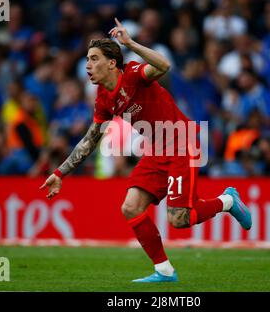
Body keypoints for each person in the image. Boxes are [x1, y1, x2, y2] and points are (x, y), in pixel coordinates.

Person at [40, 18, 252, 283]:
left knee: (179, 219)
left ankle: (228, 201)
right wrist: (60, 173)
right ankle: (164, 271)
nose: (87, 65)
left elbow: (164, 65)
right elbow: (90, 139)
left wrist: (129, 43)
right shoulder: (103, 99)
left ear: (111, 63)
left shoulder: (132, 74)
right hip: (156, 150)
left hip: (181, 142)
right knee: (130, 207)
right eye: (87, 59)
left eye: (94, 59)